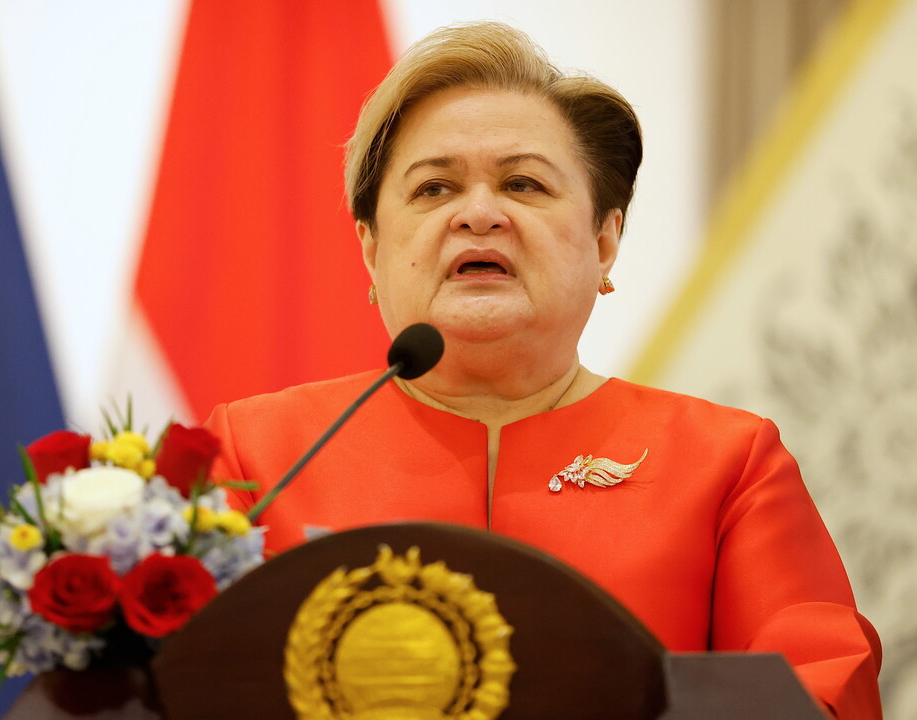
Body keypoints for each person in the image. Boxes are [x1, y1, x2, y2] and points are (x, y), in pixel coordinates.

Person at [205, 21, 881, 718]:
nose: (479, 214)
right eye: (434, 188)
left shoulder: (727, 465)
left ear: (604, 241)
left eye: (523, 183)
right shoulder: (256, 456)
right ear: (371, 249)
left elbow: (821, 692)